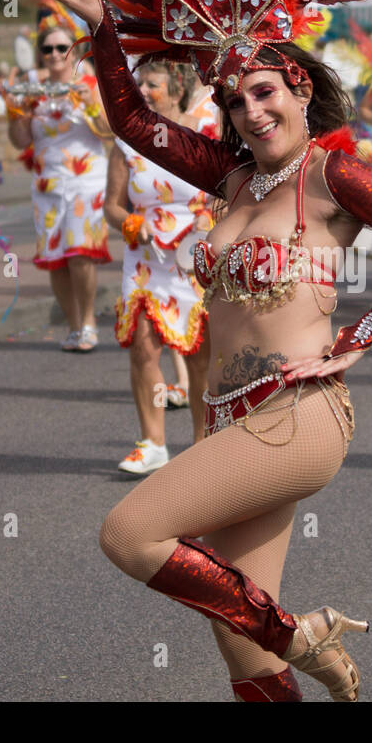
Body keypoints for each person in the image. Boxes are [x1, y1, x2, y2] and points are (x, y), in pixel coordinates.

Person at [48, 0, 372, 702]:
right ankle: (285, 645)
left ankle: (300, 635)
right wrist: (101, 31)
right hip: (224, 416)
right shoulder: (229, 175)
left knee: (130, 534)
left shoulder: (332, 175)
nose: (250, 106)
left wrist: (358, 337)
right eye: (234, 98)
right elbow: (131, 120)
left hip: (297, 415)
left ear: (300, 87)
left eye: (265, 90)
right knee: (240, 642)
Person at [104, 61, 211, 471]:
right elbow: (112, 205)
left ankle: (203, 444)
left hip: (193, 255)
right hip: (146, 259)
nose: (144, 90)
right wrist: (129, 222)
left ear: (177, 86)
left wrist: (208, 219)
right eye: (139, 83)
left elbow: (225, 191)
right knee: (142, 346)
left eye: (153, 83)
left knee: (199, 354)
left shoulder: (202, 134)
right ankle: (153, 443)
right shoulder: (127, 142)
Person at [6, 0, 111, 351]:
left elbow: (107, 131)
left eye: (61, 47)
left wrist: (89, 104)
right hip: (47, 182)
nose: (54, 54)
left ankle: (89, 321)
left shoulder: (91, 83)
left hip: (86, 180)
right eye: (48, 49)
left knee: (81, 253)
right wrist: (17, 112)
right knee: (55, 260)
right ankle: (73, 323)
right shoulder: (32, 86)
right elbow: (19, 141)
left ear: (73, 49)